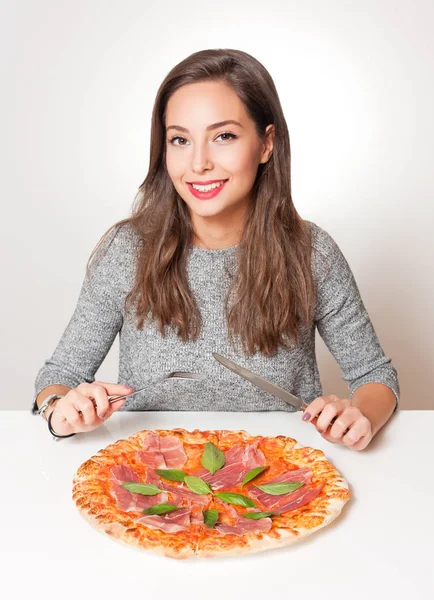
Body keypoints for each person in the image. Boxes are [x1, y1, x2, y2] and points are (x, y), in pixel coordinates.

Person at [32, 48, 399, 451]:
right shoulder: (126, 250)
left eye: (223, 136)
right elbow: (60, 375)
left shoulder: (312, 252)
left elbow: (375, 376)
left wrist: (358, 416)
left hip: (279, 471)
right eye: (180, 140)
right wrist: (59, 410)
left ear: (266, 144)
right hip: (154, 474)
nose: (199, 163)